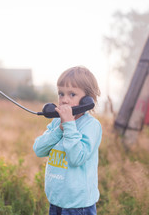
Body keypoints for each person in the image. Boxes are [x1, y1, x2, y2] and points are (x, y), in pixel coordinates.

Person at [33, 66, 102, 215]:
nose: (64, 99)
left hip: (78, 205)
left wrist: (70, 125)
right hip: (57, 199)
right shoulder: (56, 123)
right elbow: (38, 150)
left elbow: (76, 158)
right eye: (61, 93)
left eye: (72, 94)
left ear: (87, 100)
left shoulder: (91, 126)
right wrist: (59, 129)